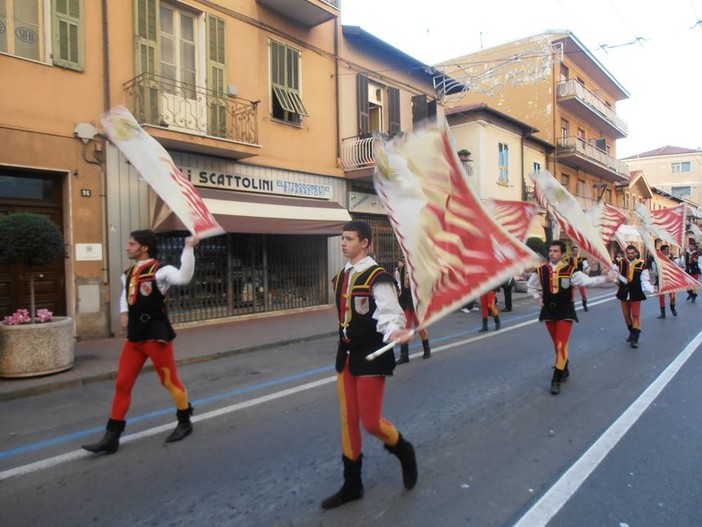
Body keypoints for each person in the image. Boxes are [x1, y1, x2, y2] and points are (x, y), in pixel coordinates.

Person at [321, 220, 417, 510]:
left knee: (371, 422)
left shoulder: (380, 277)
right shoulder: (341, 276)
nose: (343, 243)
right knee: (348, 420)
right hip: (346, 356)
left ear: (364, 243)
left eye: (349, 239)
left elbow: (389, 314)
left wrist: (396, 331)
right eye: (342, 238)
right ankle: (352, 485)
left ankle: (403, 449)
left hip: (372, 355)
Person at [83, 230, 199, 454]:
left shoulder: (161, 270)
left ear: (144, 247)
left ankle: (185, 421)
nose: (127, 247)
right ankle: (112, 436)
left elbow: (184, 277)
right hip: (135, 336)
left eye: (131, 244)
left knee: (169, 381)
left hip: (156, 335)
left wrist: (189, 248)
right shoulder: (127, 273)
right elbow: (125, 296)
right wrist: (124, 313)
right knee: (122, 384)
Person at [528, 241, 615, 395]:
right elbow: (531, 286)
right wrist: (537, 298)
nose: (552, 253)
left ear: (562, 254)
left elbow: (588, 281)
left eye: (555, 251)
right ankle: (564, 366)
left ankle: (556, 378)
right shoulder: (541, 270)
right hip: (548, 310)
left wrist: (606, 278)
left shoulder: (571, 270)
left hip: (565, 310)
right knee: (557, 345)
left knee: (561, 345)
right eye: (550, 251)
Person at [616, 245, 654, 348]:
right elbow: (615, 273)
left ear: (636, 253)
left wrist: (651, 290)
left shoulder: (642, 264)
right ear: (626, 253)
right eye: (628, 253)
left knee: (636, 315)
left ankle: (635, 337)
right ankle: (631, 332)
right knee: (626, 316)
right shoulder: (621, 263)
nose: (630, 255)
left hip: (636, 293)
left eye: (632, 253)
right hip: (623, 293)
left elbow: (645, 280)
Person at [396, 257, 431, 363]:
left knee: (420, 327)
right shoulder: (399, 270)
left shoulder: (419, 270)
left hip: (416, 303)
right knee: (404, 328)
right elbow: (399, 286)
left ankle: (427, 349)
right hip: (405, 302)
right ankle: (404, 355)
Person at [655, 244, 677, 319]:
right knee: (662, 296)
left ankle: (672, 307)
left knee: (672, 295)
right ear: (662, 251)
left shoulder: (671, 258)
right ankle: (663, 313)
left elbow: (674, 267)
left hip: (670, 278)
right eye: (667, 249)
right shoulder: (658, 258)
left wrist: (672, 258)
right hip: (662, 279)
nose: (668, 250)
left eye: (668, 249)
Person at [569, 246, 590, 311]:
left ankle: (584, 305)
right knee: (571, 294)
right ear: (572, 251)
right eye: (574, 250)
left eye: (576, 250)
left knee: (583, 294)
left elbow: (586, 268)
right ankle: (572, 308)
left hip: (580, 278)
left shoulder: (582, 259)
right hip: (572, 278)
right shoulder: (569, 259)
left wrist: (586, 274)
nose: (575, 251)